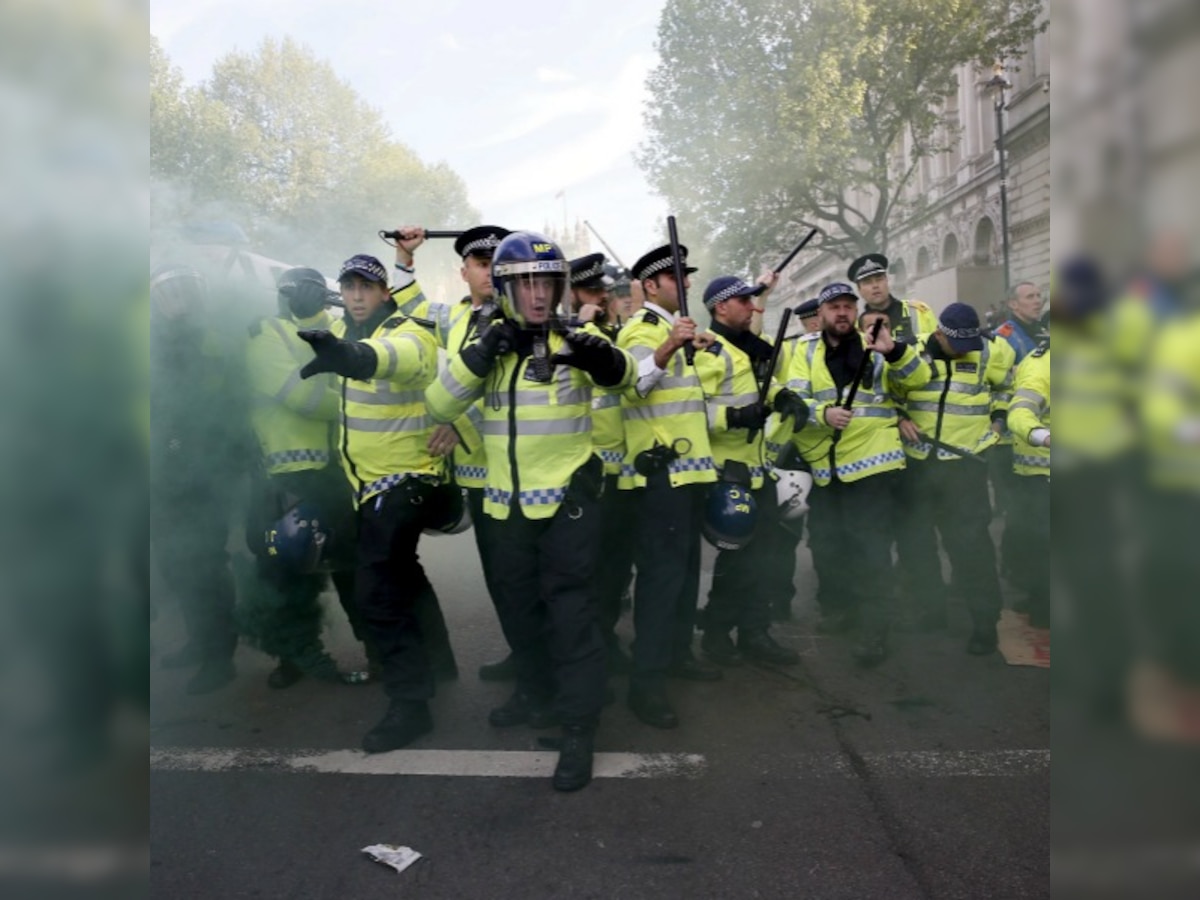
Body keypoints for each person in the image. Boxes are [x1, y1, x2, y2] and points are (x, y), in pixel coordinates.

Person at [427, 231, 635, 792]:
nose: (539, 296)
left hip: (567, 504)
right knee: (520, 613)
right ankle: (538, 696)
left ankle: (577, 729)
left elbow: (629, 381)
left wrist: (604, 357)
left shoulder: (579, 336)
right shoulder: (485, 340)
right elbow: (439, 403)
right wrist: (479, 354)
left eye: (548, 283)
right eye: (527, 284)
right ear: (504, 289)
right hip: (505, 507)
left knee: (571, 618)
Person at [296, 253, 453, 753]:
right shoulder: (341, 331)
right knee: (403, 572)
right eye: (349, 287)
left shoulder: (409, 330)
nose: (358, 295)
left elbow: (407, 360)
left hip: (405, 479)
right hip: (369, 483)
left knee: (376, 593)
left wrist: (355, 357)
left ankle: (411, 705)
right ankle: (437, 661)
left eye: (367, 286)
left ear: (387, 292)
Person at [389, 224, 518, 684]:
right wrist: (405, 258)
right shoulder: (457, 318)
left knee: (525, 578)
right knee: (501, 578)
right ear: (464, 272)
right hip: (479, 478)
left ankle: (539, 665)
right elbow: (411, 303)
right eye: (481, 265)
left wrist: (454, 419)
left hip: (518, 475)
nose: (489, 273)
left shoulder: (521, 318)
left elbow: (503, 397)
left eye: (496, 264)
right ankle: (523, 655)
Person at [786, 281, 931, 665]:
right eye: (834, 307)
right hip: (825, 468)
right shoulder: (803, 351)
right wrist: (822, 414)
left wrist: (894, 351)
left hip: (872, 466)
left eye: (849, 306)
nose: (843, 313)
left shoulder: (878, 344)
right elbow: (794, 398)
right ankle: (844, 610)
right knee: (830, 546)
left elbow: (920, 379)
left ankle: (874, 630)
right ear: (820, 314)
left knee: (871, 550)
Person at [242, 266, 371, 687]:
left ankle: (381, 652)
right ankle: (296, 657)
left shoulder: (330, 327)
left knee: (353, 570)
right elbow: (303, 397)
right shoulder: (262, 334)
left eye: (317, 293)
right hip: (286, 476)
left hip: (336, 471)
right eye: (303, 292)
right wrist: (360, 402)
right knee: (286, 572)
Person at [617, 242, 723, 731]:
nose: (685, 285)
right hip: (659, 477)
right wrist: (668, 347)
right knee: (660, 584)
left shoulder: (679, 330)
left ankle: (678, 656)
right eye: (675, 278)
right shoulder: (641, 329)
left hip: (690, 476)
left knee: (682, 580)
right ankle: (647, 684)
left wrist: (691, 344)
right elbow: (633, 385)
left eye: (687, 277)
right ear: (652, 286)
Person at [692, 274, 807, 666]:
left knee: (765, 557)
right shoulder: (708, 352)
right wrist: (735, 416)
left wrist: (785, 396)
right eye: (744, 301)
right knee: (737, 561)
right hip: (727, 474)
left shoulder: (745, 350)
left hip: (758, 471)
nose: (752, 306)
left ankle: (755, 633)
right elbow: (691, 410)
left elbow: (763, 386)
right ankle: (718, 633)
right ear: (720, 307)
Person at [891, 303, 1016, 654]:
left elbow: (1007, 387)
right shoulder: (911, 351)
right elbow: (890, 390)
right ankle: (929, 612)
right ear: (938, 334)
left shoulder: (992, 349)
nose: (964, 351)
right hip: (918, 464)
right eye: (956, 344)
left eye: (969, 344)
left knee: (971, 547)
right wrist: (900, 415)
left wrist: (999, 421)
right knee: (917, 547)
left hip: (965, 465)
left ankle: (983, 625)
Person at [150, 264, 243, 695]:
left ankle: (218, 656)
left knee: (205, 565)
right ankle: (196, 639)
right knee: (175, 564)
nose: (176, 300)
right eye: (167, 293)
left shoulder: (211, 340)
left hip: (205, 472)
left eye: (183, 290)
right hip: (165, 473)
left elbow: (220, 404)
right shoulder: (154, 342)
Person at [569, 252, 635, 673]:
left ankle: (605, 637)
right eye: (593, 290)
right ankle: (578, 643)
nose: (603, 297)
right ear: (573, 294)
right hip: (581, 472)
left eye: (606, 291)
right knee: (578, 569)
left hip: (621, 474)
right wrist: (584, 325)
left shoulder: (622, 334)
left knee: (614, 566)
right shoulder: (568, 335)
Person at [1006, 338, 1050, 629]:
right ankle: (1043, 605)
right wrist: (1042, 435)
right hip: (1042, 473)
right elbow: (1021, 410)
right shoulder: (1042, 367)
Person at [847, 253, 937, 345]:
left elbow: (940, 350)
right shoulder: (856, 330)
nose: (875, 286)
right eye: (867, 282)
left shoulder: (919, 312)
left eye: (879, 279)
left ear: (887, 280)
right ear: (859, 290)